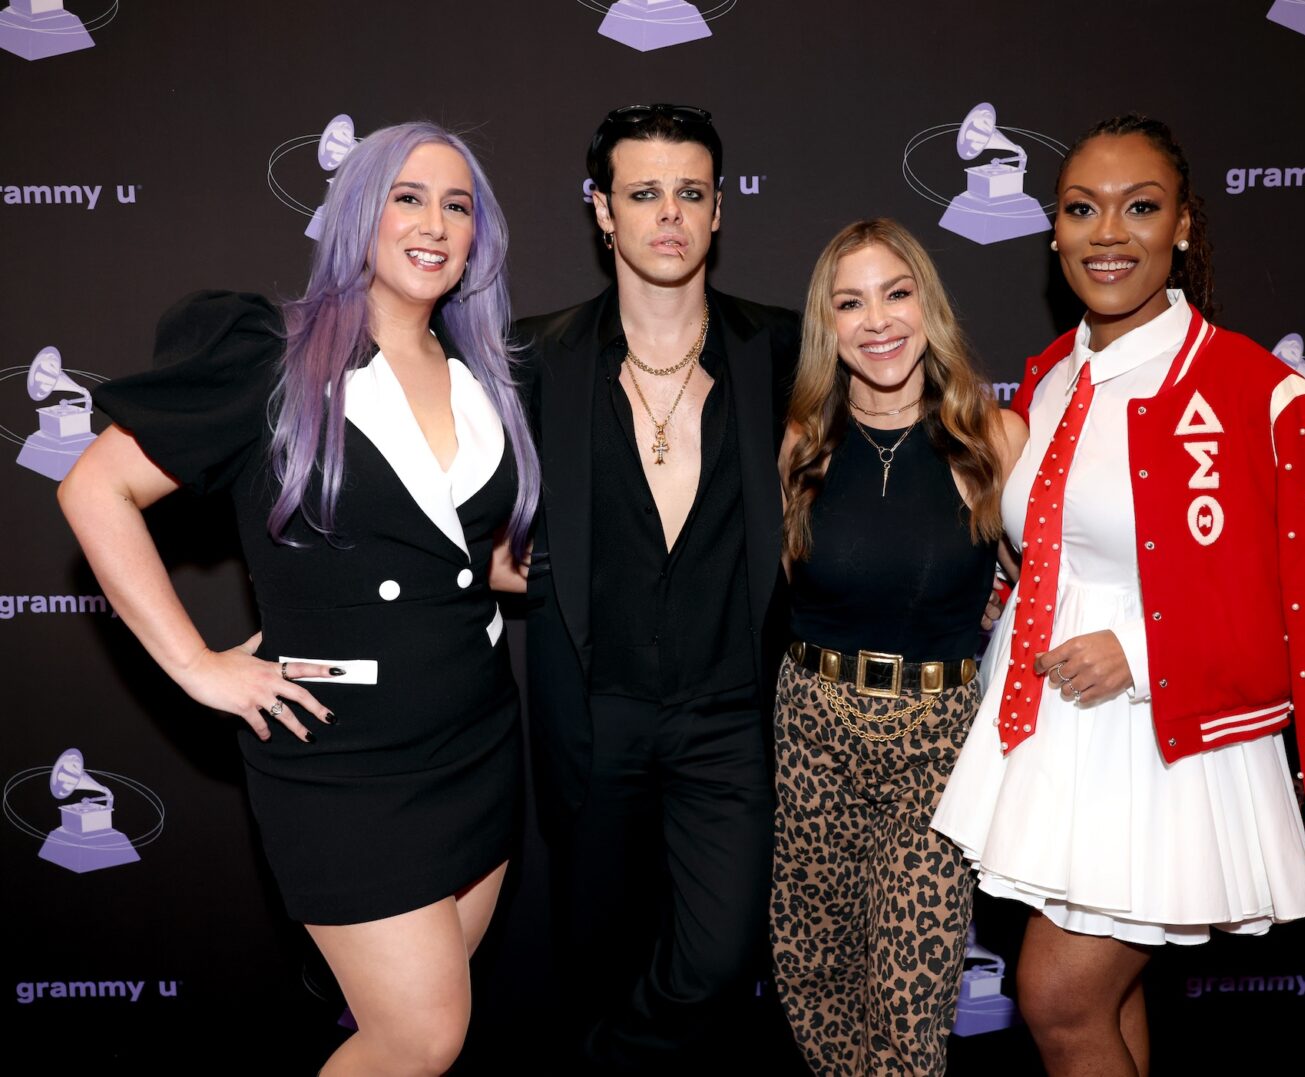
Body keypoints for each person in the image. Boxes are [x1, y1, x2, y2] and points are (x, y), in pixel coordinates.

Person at [931, 115, 1305, 1077]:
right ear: (1053, 231)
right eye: (1081, 209)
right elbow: (1061, 547)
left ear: (1184, 226)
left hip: (1164, 750)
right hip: (1060, 744)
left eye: (1139, 207)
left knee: (1059, 1000)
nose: (1108, 232)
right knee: (1107, 1001)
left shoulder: (1265, 397)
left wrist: (1145, 653)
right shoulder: (1052, 374)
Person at [57, 122, 538, 1076]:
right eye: (408, 195)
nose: (435, 222)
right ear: (358, 208)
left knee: (412, 1027)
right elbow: (92, 489)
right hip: (345, 764)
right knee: (422, 1038)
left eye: (458, 204)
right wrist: (198, 666)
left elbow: (452, 553)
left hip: (476, 741)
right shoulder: (272, 356)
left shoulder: (483, 376)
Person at [519, 104, 800, 1073]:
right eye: (643, 194)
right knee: (592, 961)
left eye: (690, 193)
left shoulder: (789, 353)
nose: (669, 215)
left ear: (720, 209)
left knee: (718, 962)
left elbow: (915, 444)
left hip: (734, 720)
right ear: (602, 211)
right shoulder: (533, 359)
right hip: (592, 718)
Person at [771, 218, 1027, 1075]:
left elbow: (1056, 585)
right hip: (813, 729)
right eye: (851, 302)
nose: (877, 320)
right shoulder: (801, 443)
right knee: (814, 971)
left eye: (896, 292)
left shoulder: (993, 438)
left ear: (928, 303)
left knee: (910, 988)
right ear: (828, 325)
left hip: (936, 742)